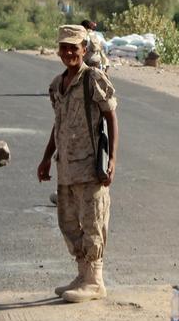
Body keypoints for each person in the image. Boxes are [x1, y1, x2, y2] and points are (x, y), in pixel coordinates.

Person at [37, 24, 119, 303]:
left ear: (84, 49)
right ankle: (82, 274)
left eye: (74, 47)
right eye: (64, 47)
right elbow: (57, 124)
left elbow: (111, 117)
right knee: (68, 222)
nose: (69, 52)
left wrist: (112, 160)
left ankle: (95, 280)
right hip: (66, 167)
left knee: (94, 222)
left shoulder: (93, 79)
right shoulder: (56, 85)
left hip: (89, 167)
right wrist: (47, 157)